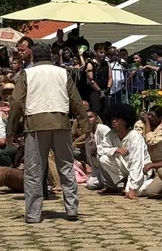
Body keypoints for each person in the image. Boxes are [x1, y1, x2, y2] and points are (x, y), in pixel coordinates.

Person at [8, 43, 90, 223]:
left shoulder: (27, 74)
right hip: (61, 121)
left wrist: (11, 129)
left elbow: (16, 103)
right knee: (66, 166)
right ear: (51, 56)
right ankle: (72, 209)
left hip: (35, 123)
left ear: (33, 56)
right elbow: (76, 101)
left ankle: (33, 214)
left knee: (34, 170)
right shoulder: (63, 73)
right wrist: (86, 125)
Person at [95, 102, 152, 197]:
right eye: (112, 119)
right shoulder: (111, 135)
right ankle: (111, 186)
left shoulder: (135, 137)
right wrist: (115, 150)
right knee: (103, 159)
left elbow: (137, 162)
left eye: (117, 119)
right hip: (124, 167)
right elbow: (101, 149)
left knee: (136, 192)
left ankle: (139, 184)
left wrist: (133, 188)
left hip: (141, 170)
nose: (114, 121)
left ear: (125, 122)